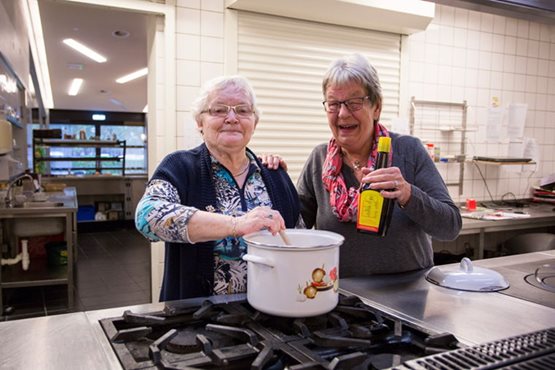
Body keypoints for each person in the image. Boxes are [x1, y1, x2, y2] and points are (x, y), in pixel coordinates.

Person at [135, 75, 300, 301]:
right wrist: (236, 224)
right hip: (200, 320)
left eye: (243, 110)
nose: (232, 118)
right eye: (219, 110)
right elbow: (147, 218)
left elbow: (298, 239)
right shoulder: (181, 167)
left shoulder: (275, 174)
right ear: (200, 122)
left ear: (255, 122)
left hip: (273, 313)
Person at [296, 53, 462, 277]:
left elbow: (450, 226)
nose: (343, 114)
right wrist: (270, 176)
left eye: (354, 103)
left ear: (376, 107)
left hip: (407, 298)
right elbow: (293, 229)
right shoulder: (320, 159)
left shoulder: (408, 151)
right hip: (341, 298)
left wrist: (408, 194)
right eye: (334, 104)